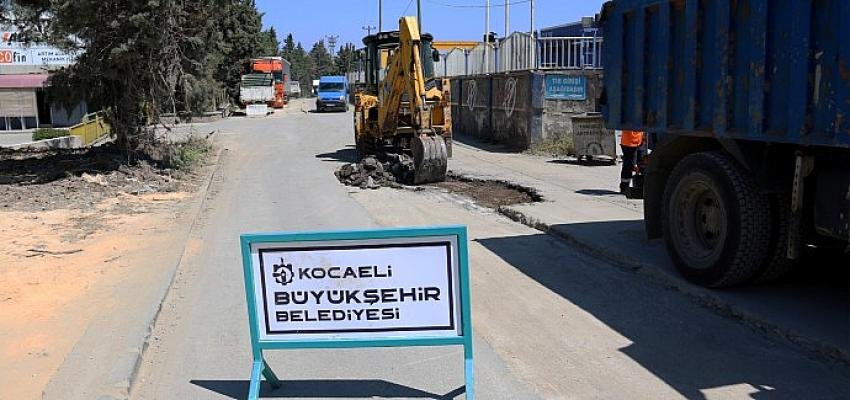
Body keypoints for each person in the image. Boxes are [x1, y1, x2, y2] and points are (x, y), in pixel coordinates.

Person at [620, 130, 645, 195]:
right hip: (629, 143)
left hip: (639, 141)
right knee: (629, 165)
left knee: (641, 164)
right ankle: (624, 187)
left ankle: (641, 186)